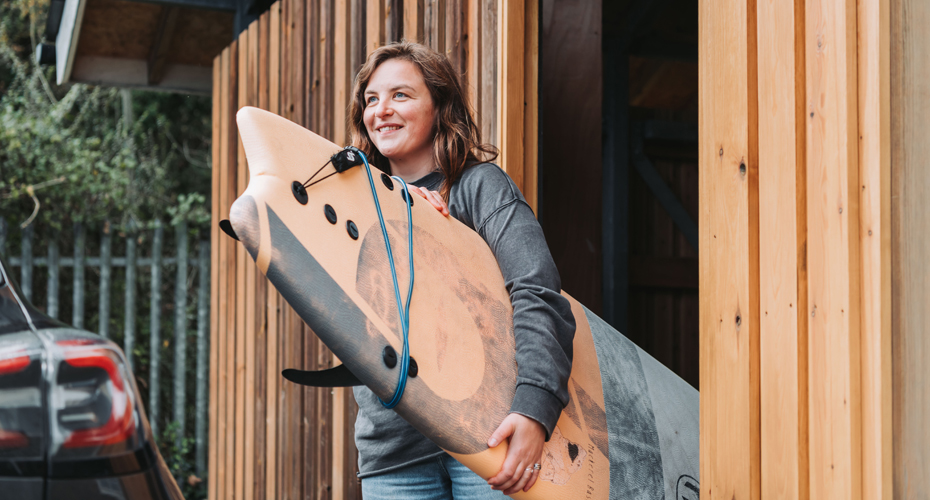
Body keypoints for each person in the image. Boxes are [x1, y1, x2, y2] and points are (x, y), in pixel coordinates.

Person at [347, 41, 575, 499]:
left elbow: (537, 291)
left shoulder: (480, 188)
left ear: (440, 105)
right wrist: (402, 213)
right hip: (393, 456)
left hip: (488, 440)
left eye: (401, 96)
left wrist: (535, 409)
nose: (382, 111)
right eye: (371, 99)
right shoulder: (354, 202)